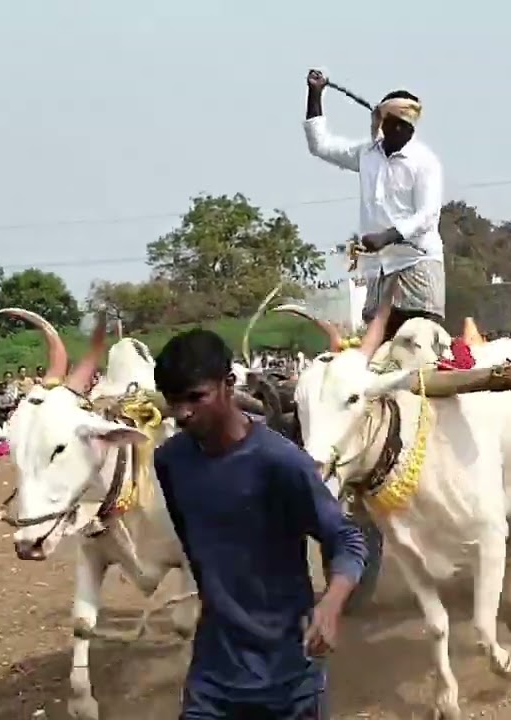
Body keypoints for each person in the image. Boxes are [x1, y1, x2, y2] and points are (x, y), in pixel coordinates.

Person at [152, 328, 367, 719]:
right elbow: (200, 551)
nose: (182, 413)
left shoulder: (281, 463)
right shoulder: (170, 462)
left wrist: (330, 605)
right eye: (173, 401)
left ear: (228, 385)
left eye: (195, 397)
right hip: (214, 676)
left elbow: (348, 540)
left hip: (288, 676)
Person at [303, 69, 445, 345]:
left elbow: (427, 215)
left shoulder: (425, 162)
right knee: (378, 350)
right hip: (379, 268)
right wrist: (315, 94)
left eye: (388, 122)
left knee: (420, 344)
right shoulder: (367, 154)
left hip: (417, 263)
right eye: (381, 120)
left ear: (406, 127)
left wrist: (386, 236)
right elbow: (320, 145)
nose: (381, 127)